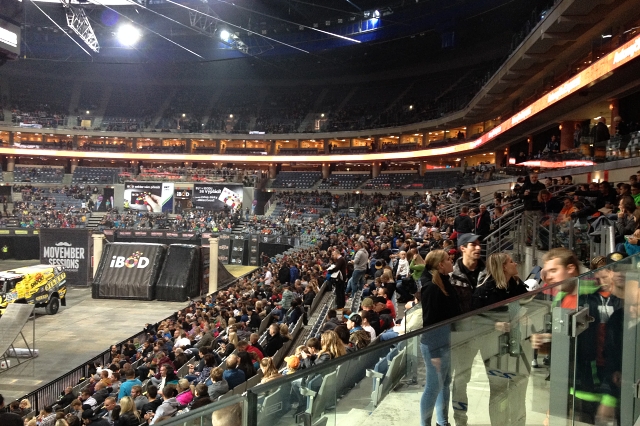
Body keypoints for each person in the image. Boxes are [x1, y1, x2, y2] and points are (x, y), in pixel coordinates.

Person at [419, 250, 460, 426]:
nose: (452, 261)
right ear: (440, 265)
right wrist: (434, 353)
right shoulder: (431, 288)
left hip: (445, 340)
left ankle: (442, 422)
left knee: (445, 383)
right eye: (448, 259)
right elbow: (430, 322)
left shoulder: (443, 281)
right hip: (434, 345)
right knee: (432, 387)